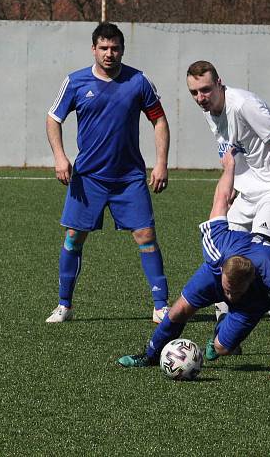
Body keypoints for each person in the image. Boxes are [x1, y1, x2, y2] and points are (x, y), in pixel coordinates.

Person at [118, 148, 270, 381]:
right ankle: (149, 355)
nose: (228, 296)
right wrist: (230, 168)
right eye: (227, 290)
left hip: (252, 303)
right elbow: (222, 199)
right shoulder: (218, 247)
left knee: (223, 348)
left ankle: (218, 341)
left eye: (233, 292)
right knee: (178, 311)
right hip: (211, 277)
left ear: (250, 280)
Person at [45, 22, 170, 324]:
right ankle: (64, 305)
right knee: (74, 237)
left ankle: (161, 305)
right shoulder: (75, 82)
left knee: (146, 236)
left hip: (129, 178)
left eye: (115, 48)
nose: (109, 53)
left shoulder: (138, 81)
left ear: (122, 49)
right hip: (88, 178)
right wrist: (60, 157)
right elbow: (53, 118)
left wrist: (161, 162)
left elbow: (159, 121)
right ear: (94, 49)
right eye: (103, 47)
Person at [186, 60, 270, 321]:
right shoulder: (209, 111)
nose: (200, 98)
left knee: (259, 255)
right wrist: (231, 188)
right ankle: (224, 326)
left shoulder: (243, 104)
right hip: (249, 191)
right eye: (194, 93)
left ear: (219, 83)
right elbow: (233, 152)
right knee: (222, 253)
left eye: (206, 90)